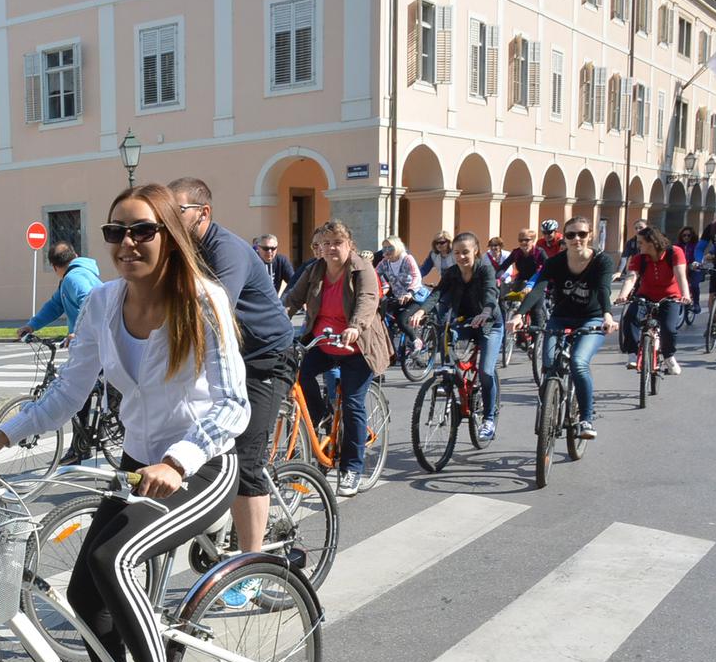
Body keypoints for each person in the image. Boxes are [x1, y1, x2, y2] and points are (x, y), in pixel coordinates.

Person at [0, 183, 247, 662]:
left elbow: (232, 405)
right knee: (84, 595)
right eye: (115, 232)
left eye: (142, 230)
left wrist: (178, 459)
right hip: (136, 465)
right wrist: (4, 433)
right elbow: (69, 393)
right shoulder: (101, 303)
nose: (127, 243)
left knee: (111, 555)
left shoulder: (202, 298)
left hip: (201, 468)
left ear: (169, 236)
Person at [171, 177, 297, 611]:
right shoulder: (182, 249)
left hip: (267, 358)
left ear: (202, 213)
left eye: (177, 212)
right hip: (231, 357)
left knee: (247, 459)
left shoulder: (226, 250)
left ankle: (251, 573)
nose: (169, 221)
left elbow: (213, 309)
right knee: (192, 442)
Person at [281, 221, 392, 498]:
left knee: (353, 402)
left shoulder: (361, 269)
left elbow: (368, 299)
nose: (331, 248)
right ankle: (322, 416)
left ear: (349, 245)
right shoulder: (315, 270)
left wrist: (355, 326)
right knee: (299, 375)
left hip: (357, 347)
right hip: (323, 343)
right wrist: (273, 320)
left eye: (337, 243)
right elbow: (291, 299)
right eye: (326, 243)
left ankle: (352, 468)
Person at [512, 216, 618, 440]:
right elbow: (539, 289)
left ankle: (586, 417)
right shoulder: (555, 262)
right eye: (571, 235)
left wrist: (607, 315)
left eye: (582, 234)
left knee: (579, 363)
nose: (576, 239)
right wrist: (519, 315)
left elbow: (603, 289)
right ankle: (549, 406)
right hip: (560, 318)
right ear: (565, 237)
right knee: (549, 365)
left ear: (590, 235)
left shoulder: (602, 261)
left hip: (592, 318)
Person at [409, 232, 502, 440]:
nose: (461, 257)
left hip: (490, 323)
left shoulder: (485, 270)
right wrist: (422, 311)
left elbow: (490, 292)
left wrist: (486, 312)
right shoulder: (452, 272)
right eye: (457, 253)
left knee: (486, 371)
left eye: (465, 252)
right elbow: (438, 293)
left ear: (476, 251)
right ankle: (449, 375)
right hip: (466, 320)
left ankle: (488, 419)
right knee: (446, 331)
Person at [16, 241, 105, 461]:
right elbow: (55, 306)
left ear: (55, 267)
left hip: (94, 343)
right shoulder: (75, 276)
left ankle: (81, 447)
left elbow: (89, 300)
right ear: (75, 255)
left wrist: (77, 331)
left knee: (78, 391)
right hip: (95, 342)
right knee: (87, 391)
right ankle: (85, 442)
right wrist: (32, 325)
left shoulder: (73, 278)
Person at [614, 224, 689, 374]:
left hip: (670, 297)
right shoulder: (638, 258)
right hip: (645, 295)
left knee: (669, 328)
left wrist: (685, 295)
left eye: (641, 242)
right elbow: (631, 278)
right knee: (630, 317)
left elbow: (681, 276)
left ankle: (668, 356)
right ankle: (633, 354)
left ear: (652, 242)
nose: (638, 245)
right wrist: (623, 294)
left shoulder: (674, 252)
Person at [676, 225, 703, 317]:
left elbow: (699, 256)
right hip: (681, 268)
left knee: (694, 285)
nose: (686, 237)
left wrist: (696, 263)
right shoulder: (677, 246)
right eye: (684, 235)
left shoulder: (696, 245)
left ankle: (696, 303)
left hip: (693, 268)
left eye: (689, 235)